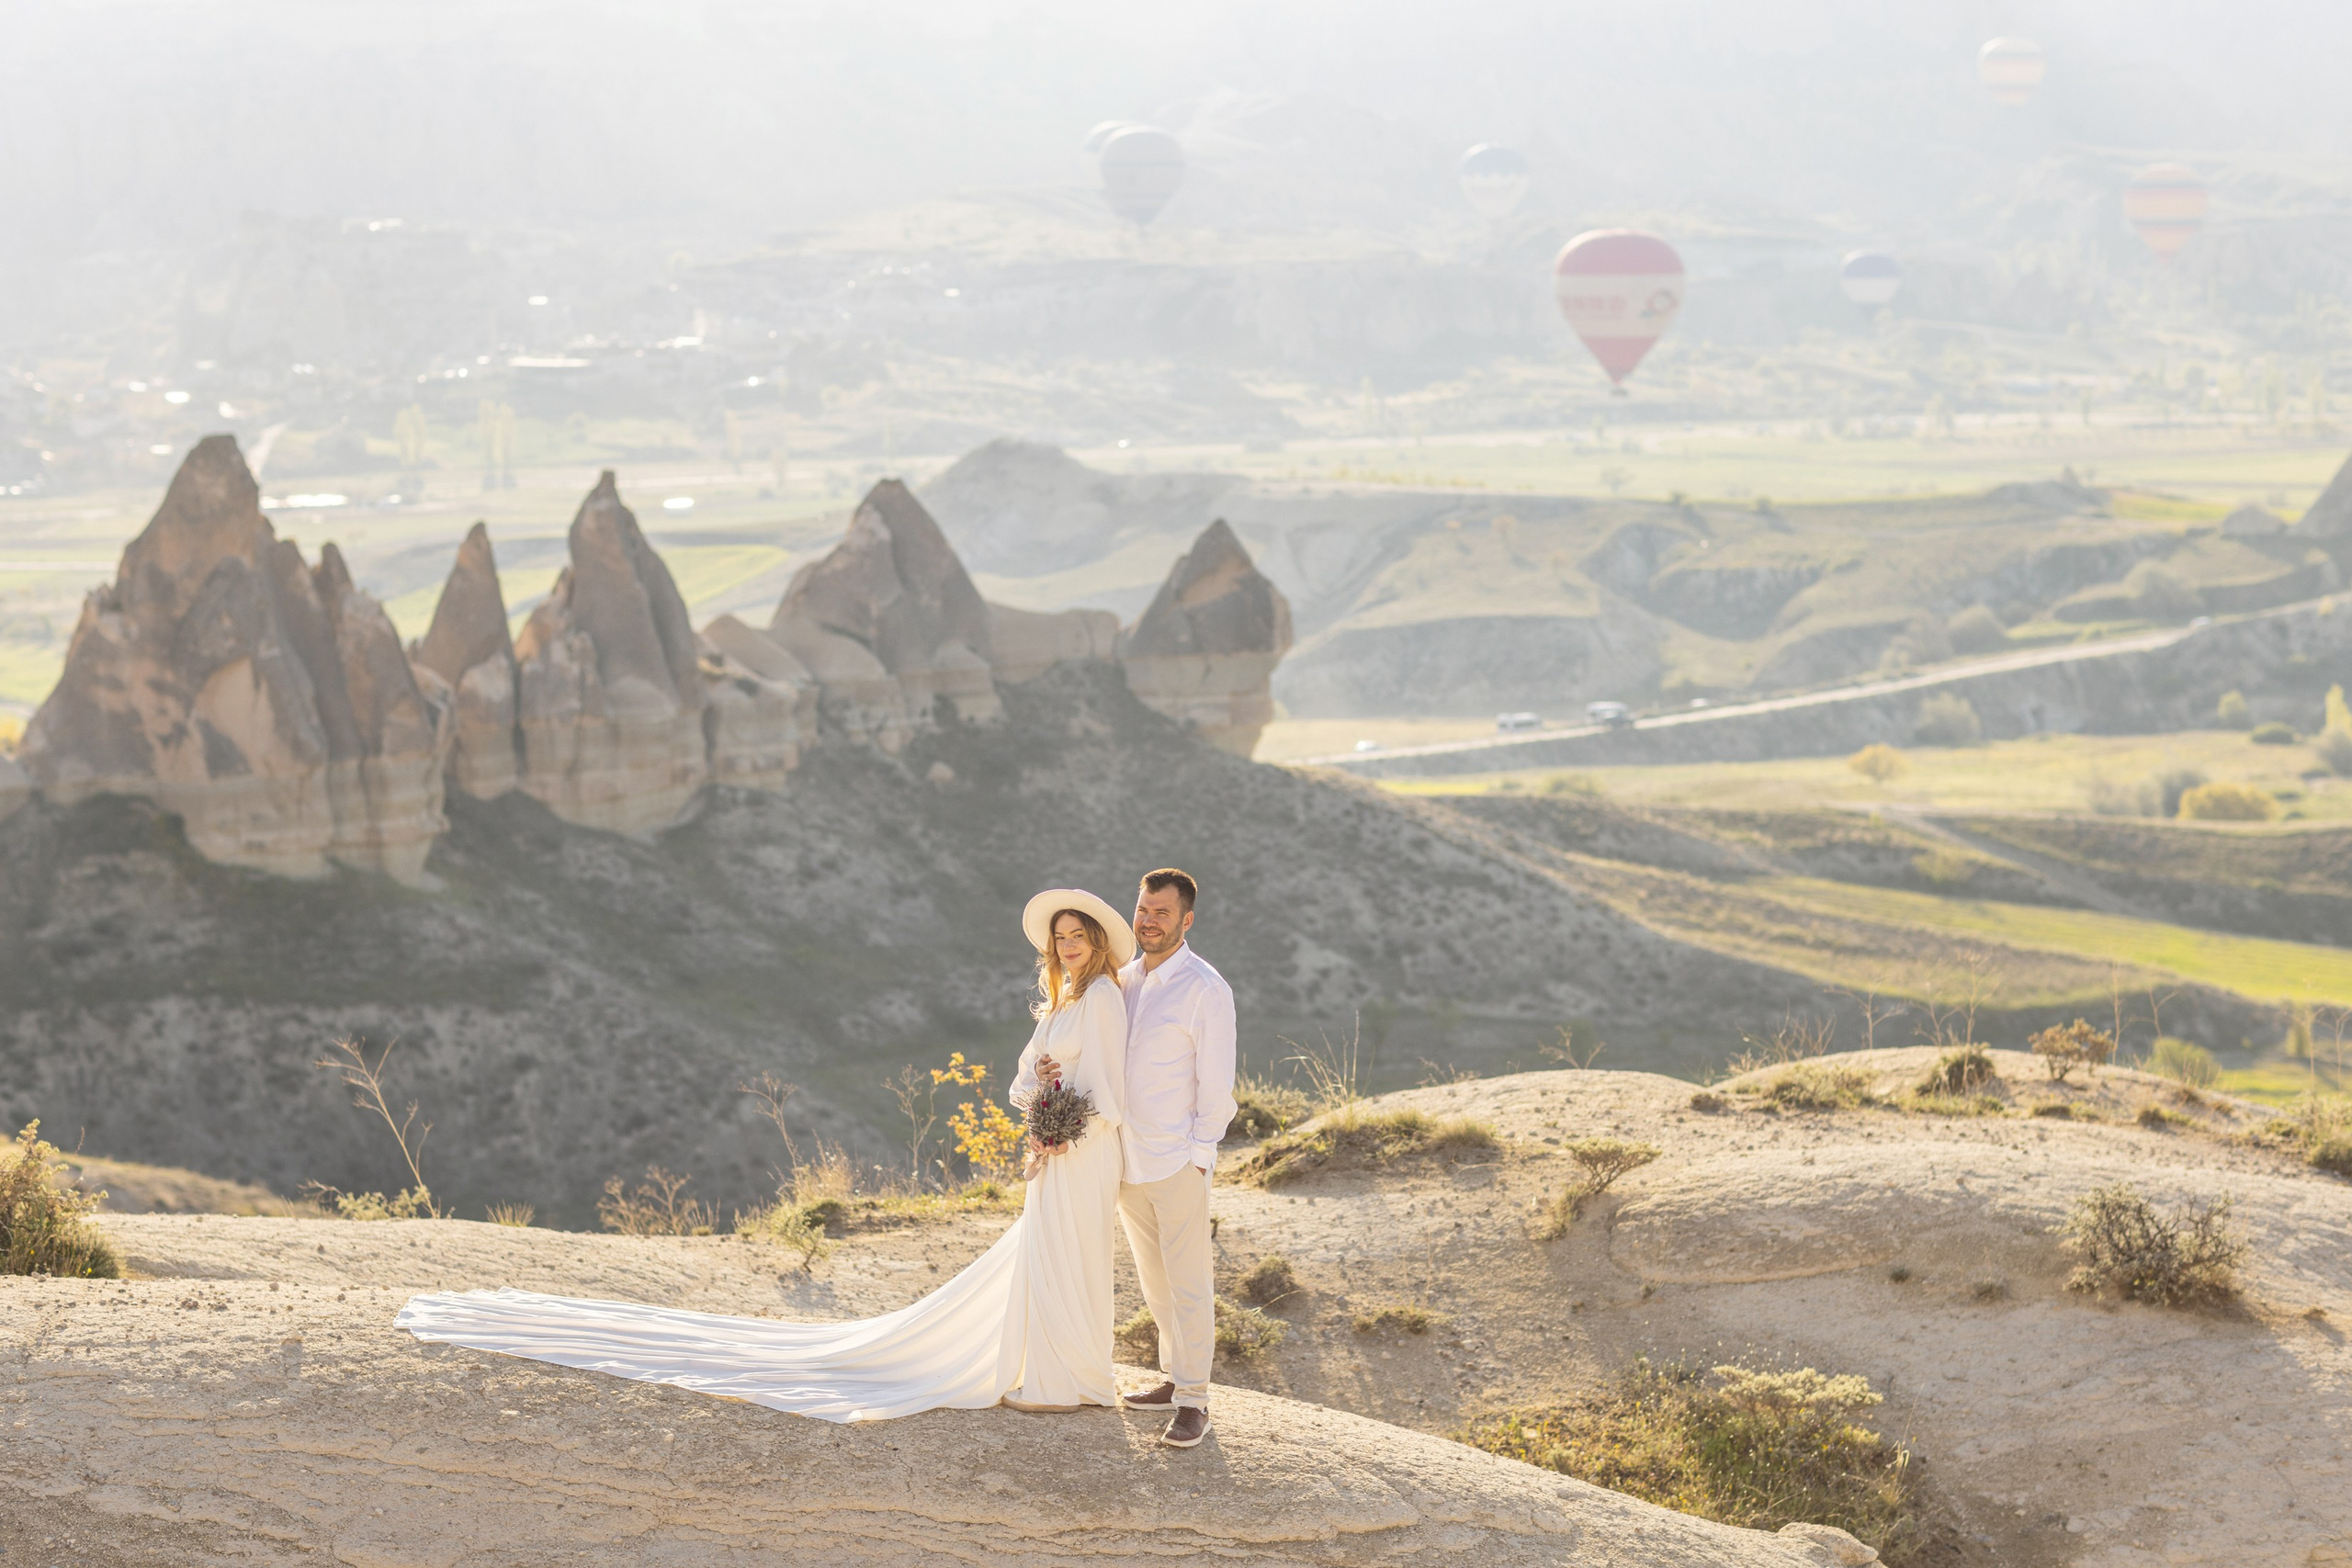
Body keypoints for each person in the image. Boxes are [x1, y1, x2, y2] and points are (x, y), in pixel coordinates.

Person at [394, 888, 1135, 1424]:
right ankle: (1056, 1373)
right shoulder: (1058, 1001)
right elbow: (1019, 1081)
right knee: (1047, 1255)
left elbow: (1111, 1092)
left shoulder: (1100, 997)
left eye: (1077, 935)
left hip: (1080, 1151)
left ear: (1098, 941)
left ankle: (1073, 1377)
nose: (1067, 944)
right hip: (1052, 1148)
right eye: (1059, 936)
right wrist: (1039, 1100)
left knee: (1068, 1253)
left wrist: (1062, 1128)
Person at [1109, 868, 1238, 1449]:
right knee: (1154, 1281)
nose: (1148, 921)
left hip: (1176, 1161)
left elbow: (1217, 1086)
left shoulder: (1206, 989)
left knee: (1189, 1284)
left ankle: (1195, 1402)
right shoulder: (1122, 980)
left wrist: (1200, 1157)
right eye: (1143, 909)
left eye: (1162, 912)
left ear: (1186, 920)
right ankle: (1172, 1377)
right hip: (1126, 1160)